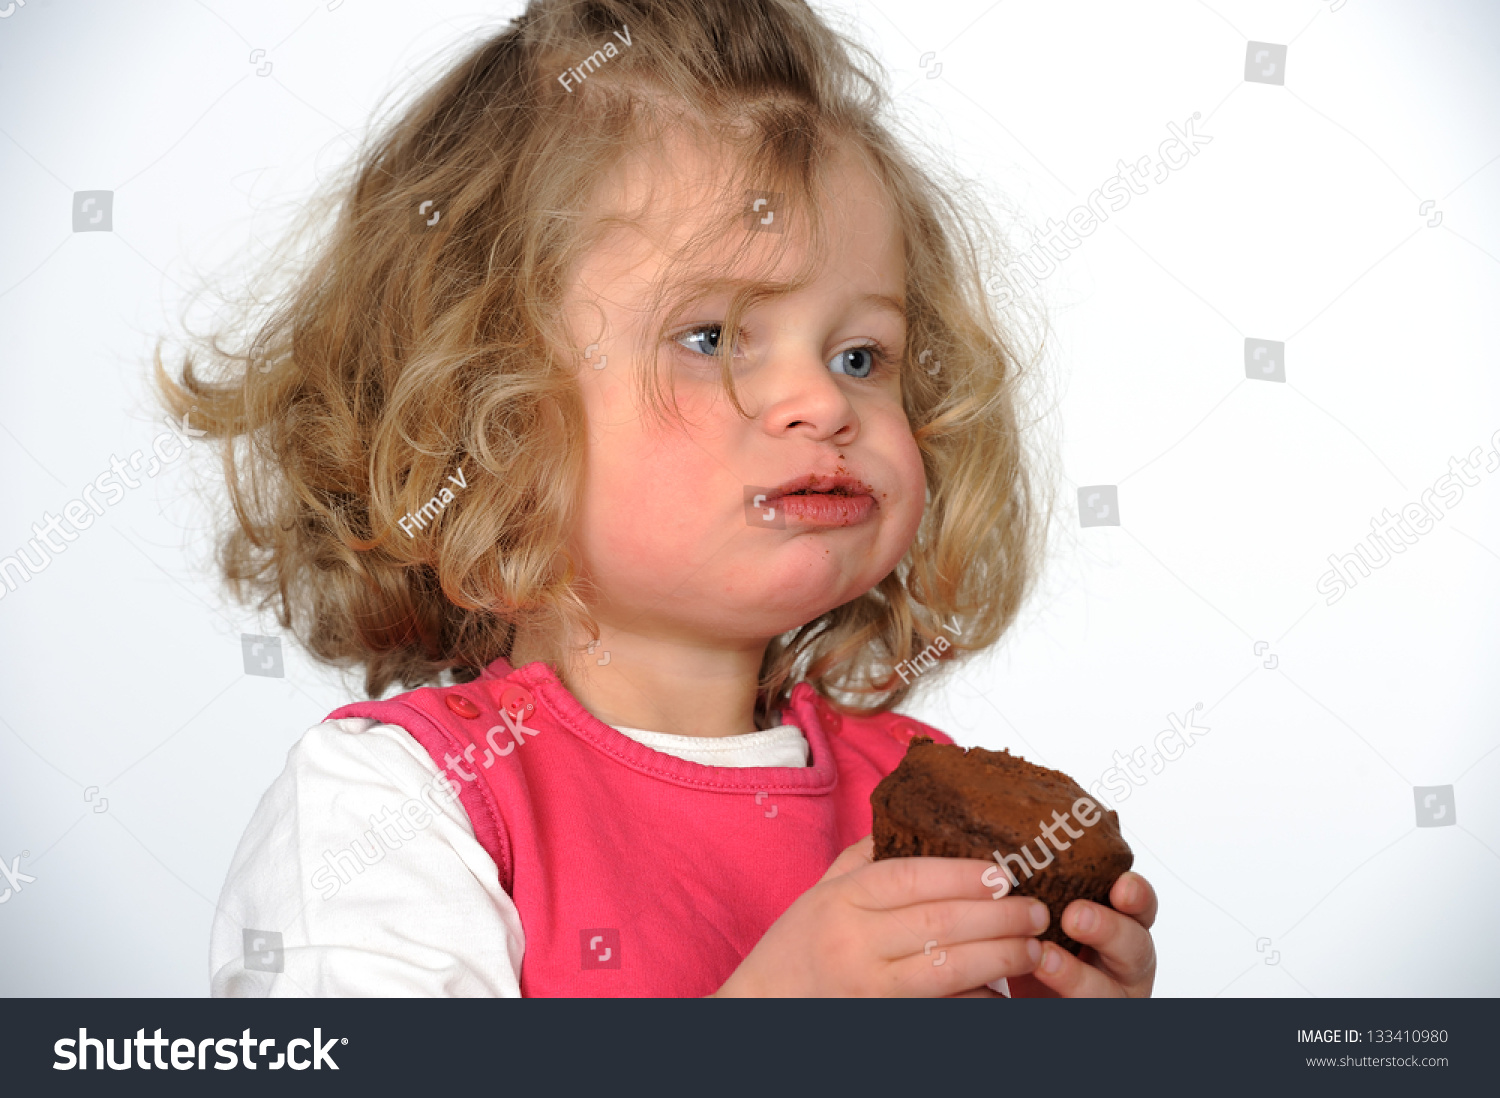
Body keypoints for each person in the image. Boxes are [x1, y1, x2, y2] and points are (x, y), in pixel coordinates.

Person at [159, 0, 1157, 997]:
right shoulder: (398, 806)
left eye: (860, 355)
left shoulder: (919, 799)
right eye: (713, 339)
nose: (821, 401)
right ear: (485, 413)